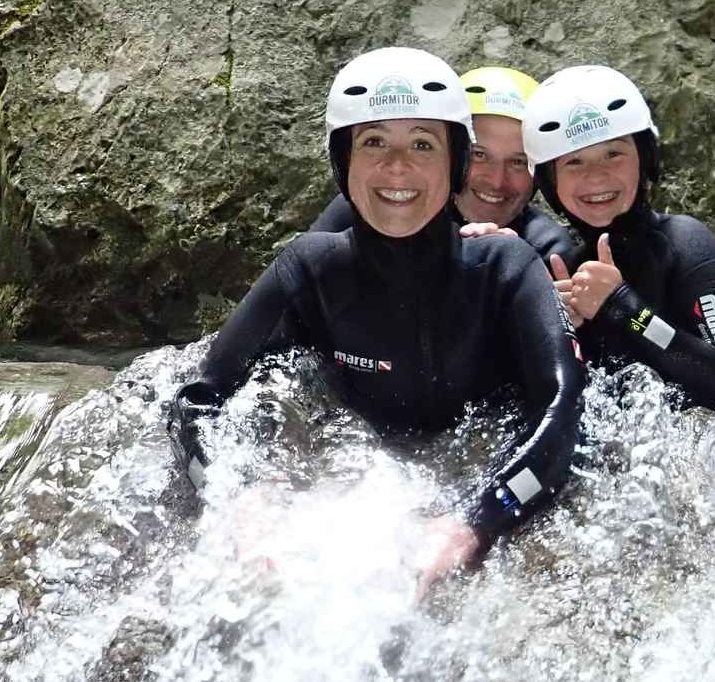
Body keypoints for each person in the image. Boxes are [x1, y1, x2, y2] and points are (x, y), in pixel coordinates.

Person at [169, 47, 584, 593]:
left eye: (421, 144)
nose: (397, 167)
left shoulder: (506, 267)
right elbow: (195, 403)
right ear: (344, 162)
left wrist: (474, 524)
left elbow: (562, 410)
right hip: (346, 457)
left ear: (453, 162)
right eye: (374, 143)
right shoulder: (308, 265)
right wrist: (240, 498)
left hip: (474, 455)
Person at [521, 65, 715, 409]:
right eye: (574, 162)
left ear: (644, 159)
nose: (596, 176)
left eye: (613, 153)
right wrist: (556, 333)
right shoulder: (567, 271)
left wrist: (623, 306)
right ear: (550, 182)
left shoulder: (686, 242)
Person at [309, 66, 575, 264]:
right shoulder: (368, 206)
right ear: (451, 155)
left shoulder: (546, 249)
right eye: (478, 155)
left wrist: (519, 276)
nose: (496, 181)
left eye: (518, 162)